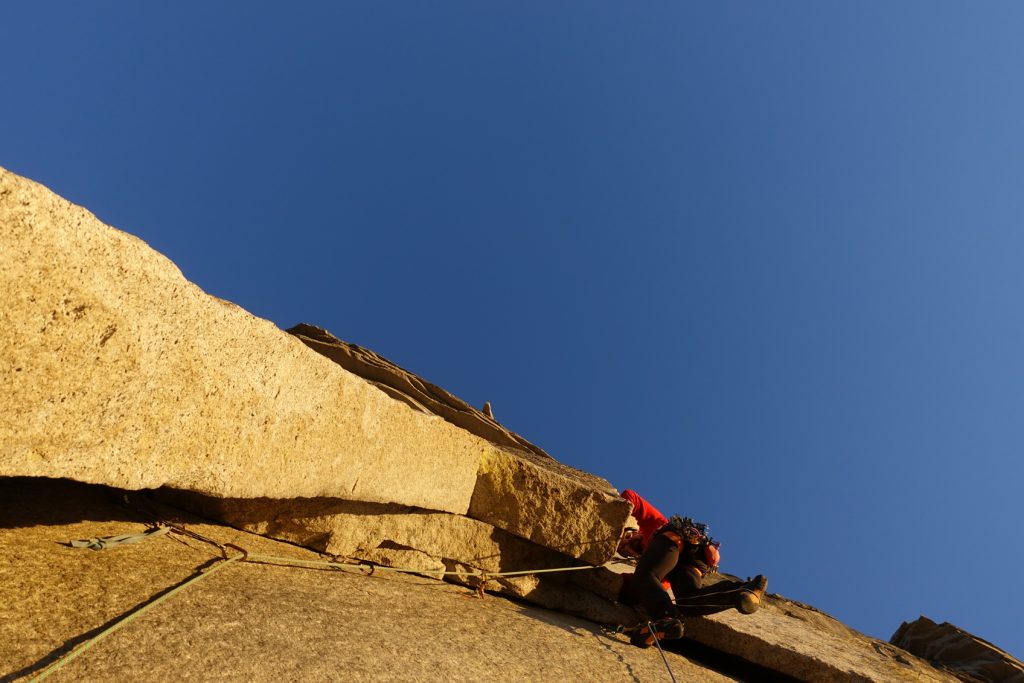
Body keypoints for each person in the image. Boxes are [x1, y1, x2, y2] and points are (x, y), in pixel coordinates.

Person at [617, 489, 768, 648]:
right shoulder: (654, 560)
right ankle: (743, 592)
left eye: (627, 538)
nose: (626, 545)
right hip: (694, 561)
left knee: (645, 575)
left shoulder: (652, 522)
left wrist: (618, 519)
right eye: (623, 550)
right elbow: (656, 589)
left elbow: (629, 495)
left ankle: (665, 619)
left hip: (676, 539)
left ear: (635, 530)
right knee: (688, 600)